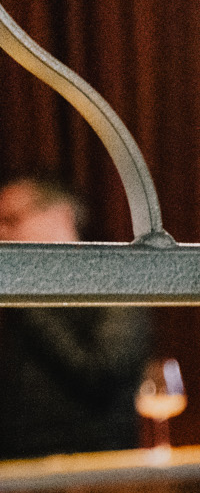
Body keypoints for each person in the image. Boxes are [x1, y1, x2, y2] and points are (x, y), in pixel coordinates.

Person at [0, 176, 154, 459]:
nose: (2, 232)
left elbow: (102, 375)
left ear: (61, 214)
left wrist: (28, 300)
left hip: (92, 468)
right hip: (17, 469)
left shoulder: (113, 280)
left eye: (11, 219)